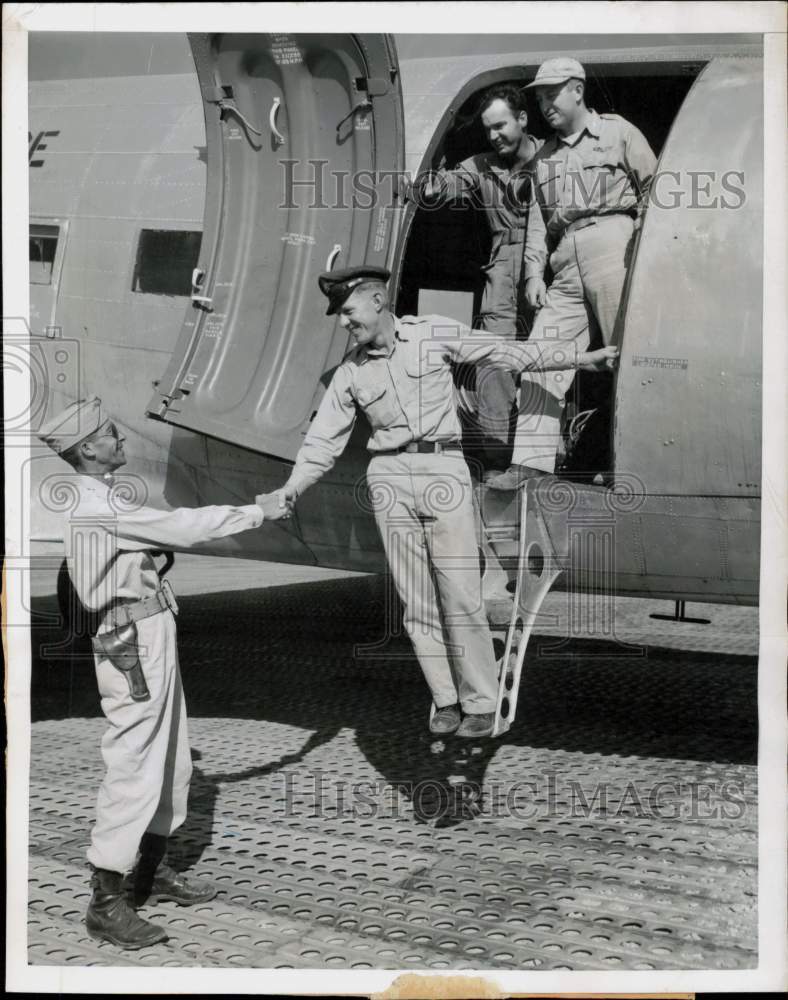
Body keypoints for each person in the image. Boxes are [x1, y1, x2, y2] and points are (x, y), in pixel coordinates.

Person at [275, 265, 618, 739]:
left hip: (444, 468)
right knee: (416, 601)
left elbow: (508, 353)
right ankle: (446, 699)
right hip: (389, 478)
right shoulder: (351, 371)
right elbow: (321, 443)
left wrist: (583, 359)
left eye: (348, 311)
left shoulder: (431, 333)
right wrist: (292, 487)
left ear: (377, 301)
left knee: (460, 592)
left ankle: (480, 702)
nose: (343, 322)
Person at [37, 396, 291, 949]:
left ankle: (152, 871)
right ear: (87, 449)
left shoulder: (100, 496)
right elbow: (182, 526)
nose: (121, 439)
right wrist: (257, 511)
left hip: (150, 631)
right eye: (110, 434)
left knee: (172, 756)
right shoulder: (97, 504)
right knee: (134, 762)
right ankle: (106, 901)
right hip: (132, 643)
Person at [486, 58, 657, 490]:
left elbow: (656, 188)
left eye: (552, 94)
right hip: (563, 262)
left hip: (613, 244)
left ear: (578, 90)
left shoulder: (619, 133)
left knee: (629, 358)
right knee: (541, 358)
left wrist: (643, 242)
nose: (545, 105)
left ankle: (625, 462)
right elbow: (539, 222)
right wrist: (532, 275)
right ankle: (530, 465)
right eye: (540, 97)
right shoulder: (544, 157)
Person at [419, 85, 544, 476]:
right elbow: (445, 186)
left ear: (522, 119)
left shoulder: (555, 157)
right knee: (494, 366)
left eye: (501, 126)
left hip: (548, 270)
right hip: (501, 275)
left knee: (550, 367)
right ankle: (495, 462)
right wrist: (434, 176)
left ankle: (542, 462)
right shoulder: (481, 165)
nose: (495, 136)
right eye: (488, 129)